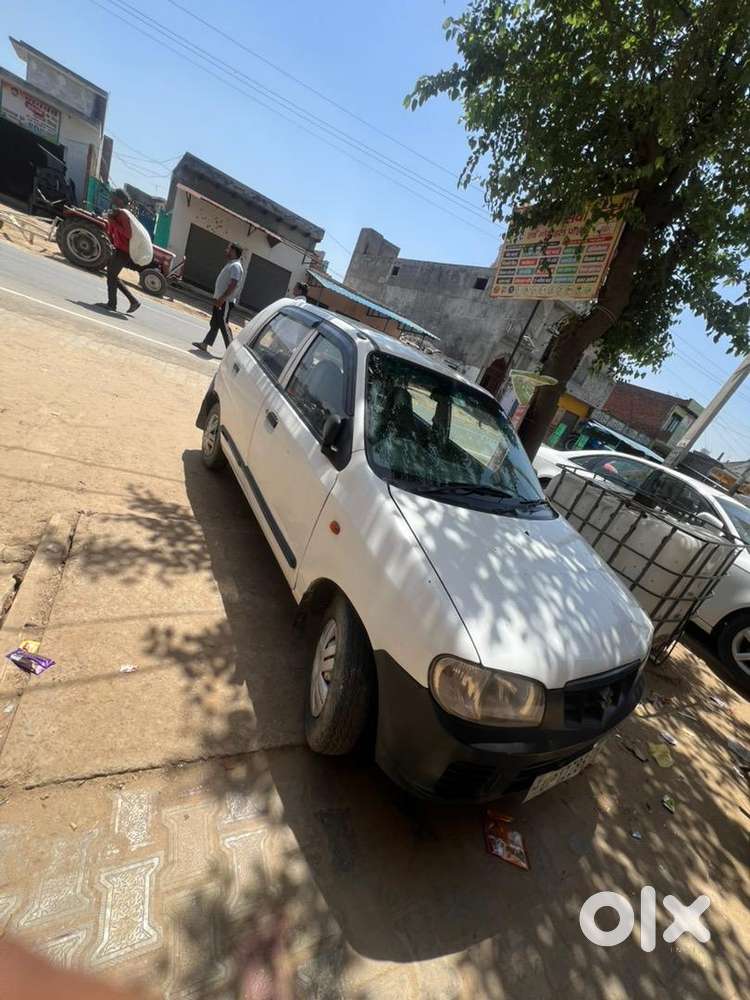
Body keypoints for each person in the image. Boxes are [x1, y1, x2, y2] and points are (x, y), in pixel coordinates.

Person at [95, 188, 141, 315]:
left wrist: (113, 222)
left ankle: (112, 304)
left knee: (111, 276)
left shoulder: (124, 214)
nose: (112, 199)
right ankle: (133, 301)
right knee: (112, 275)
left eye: (114, 197)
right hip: (119, 249)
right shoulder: (119, 213)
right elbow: (113, 231)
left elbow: (128, 234)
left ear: (120, 199)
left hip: (124, 251)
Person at [192, 243, 244, 353]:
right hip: (220, 300)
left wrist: (223, 298)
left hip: (225, 301)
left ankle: (231, 352)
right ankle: (205, 344)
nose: (226, 250)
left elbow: (233, 284)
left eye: (228, 249)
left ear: (234, 251)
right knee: (215, 323)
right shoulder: (231, 264)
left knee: (223, 325)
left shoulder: (236, 266)